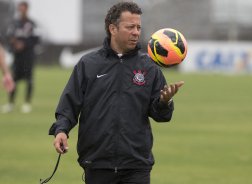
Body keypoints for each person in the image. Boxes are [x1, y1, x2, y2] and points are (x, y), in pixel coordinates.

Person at [49, 2, 184, 184]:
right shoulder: (88, 64)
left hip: (136, 165)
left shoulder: (149, 67)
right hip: (97, 163)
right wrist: (61, 130)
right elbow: (69, 104)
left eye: (138, 27)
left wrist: (164, 102)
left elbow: (162, 116)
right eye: (130, 27)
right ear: (113, 28)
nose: (136, 32)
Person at [1, 1, 39, 113]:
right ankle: (10, 103)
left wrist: (24, 44)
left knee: (29, 80)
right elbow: (9, 36)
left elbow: (36, 39)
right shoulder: (14, 23)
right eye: (20, 8)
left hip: (28, 57)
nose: (21, 10)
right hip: (17, 57)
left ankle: (27, 103)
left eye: (23, 8)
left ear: (27, 9)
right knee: (13, 79)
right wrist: (14, 43)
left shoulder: (32, 24)